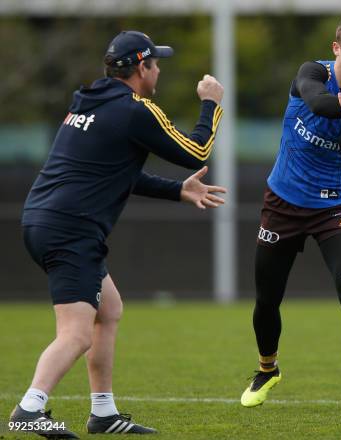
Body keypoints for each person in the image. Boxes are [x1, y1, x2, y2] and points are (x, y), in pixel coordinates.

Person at [9, 30, 226, 438]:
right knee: (75, 333)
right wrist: (212, 102)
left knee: (108, 311)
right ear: (140, 68)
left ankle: (103, 414)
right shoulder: (135, 110)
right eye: (155, 63)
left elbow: (116, 172)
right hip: (71, 228)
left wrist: (178, 190)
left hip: (45, 219)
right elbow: (197, 151)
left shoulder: (86, 100)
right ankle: (29, 408)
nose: (158, 69)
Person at [240, 14, 341, 411]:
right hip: (283, 203)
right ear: (337, 49)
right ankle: (267, 369)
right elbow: (317, 101)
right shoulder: (312, 72)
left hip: (332, 206)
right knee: (267, 297)